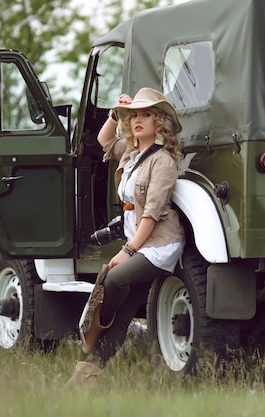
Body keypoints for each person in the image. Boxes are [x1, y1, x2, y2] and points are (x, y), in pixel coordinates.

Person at [69, 87, 185, 385]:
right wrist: (114, 113)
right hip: (140, 243)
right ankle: (87, 375)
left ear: (159, 121)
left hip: (159, 244)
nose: (138, 120)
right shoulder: (133, 154)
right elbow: (104, 140)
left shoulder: (164, 162)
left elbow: (152, 215)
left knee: (114, 277)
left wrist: (129, 251)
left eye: (146, 114)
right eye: (134, 115)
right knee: (123, 313)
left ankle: (93, 330)